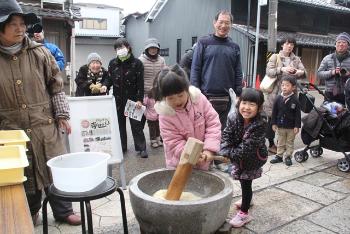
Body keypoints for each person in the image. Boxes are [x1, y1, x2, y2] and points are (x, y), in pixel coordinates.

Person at [0, 0, 80, 225]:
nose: (20, 28)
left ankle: (64, 211)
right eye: (12, 24)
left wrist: (62, 115)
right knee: (24, 172)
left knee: (54, 167)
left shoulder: (40, 53)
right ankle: (30, 211)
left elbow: (56, 85)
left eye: (22, 23)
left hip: (44, 125)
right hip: (11, 129)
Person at [153, 64, 221, 170]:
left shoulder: (199, 100)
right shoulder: (165, 114)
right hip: (179, 164)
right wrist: (192, 155)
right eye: (171, 98)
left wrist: (209, 149)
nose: (177, 101)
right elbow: (174, 141)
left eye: (180, 95)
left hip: (204, 158)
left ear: (187, 89)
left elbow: (213, 124)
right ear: (164, 97)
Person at [219, 88, 268, 228]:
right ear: (239, 103)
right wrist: (224, 149)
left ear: (259, 108)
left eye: (252, 104)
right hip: (238, 156)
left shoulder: (260, 123)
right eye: (244, 103)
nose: (246, 107)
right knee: (243, 181)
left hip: (252, 159)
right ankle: (248, 200)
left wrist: (229, 154)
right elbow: (227, 134)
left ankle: (244, 213)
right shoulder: (233, 117)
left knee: (246, 183)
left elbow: (247, 148)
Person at [190, 10, 243, 129]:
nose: (223, 26)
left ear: (231, 25)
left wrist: (238, 92)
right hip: (205, 95)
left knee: (223, 130)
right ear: (214, 23)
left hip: (227, 97)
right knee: (203, 128)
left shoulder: (234, 47)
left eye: (227, 23)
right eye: (221, 22)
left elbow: (238, 71)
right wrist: (195, 92)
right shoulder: (203, 43)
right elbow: (196, 68)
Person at [101, 38, 148, 158]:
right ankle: (122, 146)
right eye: (117, 48)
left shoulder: (137, 63)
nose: (120, 50)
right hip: (117, 99)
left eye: (122, 47)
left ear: (128, 47)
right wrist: (105, 86)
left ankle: (141, 147)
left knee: (136, 125)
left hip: (133, 99)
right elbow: (109, 78)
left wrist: (139, 99)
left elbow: (140, 83)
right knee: (120, 124)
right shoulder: (113, 63)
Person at [263, 36, 305, 154]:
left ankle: (284, 143)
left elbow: (303, 72)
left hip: (291, 94)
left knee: (289, 118)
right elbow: (269, 72)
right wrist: (282, 69)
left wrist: (299, 72)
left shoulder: (296, 59)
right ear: (282, 45)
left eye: (292, 44)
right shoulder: (275, 57)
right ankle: (271, 144)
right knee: (272, 118)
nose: (289, 46)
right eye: (287, 44)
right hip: (276, 93)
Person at [139, 38, 166, 147]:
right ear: (147, 49)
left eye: (155, 48)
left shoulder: (161, 60)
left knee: (159, 118)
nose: (153, 50)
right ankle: (150, 140)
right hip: (145, 93)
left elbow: (165, 74)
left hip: (158, 93)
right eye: (151, 48)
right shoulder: (141, 60)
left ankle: (158, 138)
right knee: (149, 119)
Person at [270, 76, 301, 166]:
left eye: (287, 85)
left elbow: (298, 114)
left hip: (291, 126)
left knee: (289, 142)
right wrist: (273, 123)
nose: (284, 87)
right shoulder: (278, 98)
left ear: (293, 87)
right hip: (280, 125)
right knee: (280, 141)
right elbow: (274, 112)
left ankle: (288, 156)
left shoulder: (295, 99)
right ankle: (279, 156)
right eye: (282, 85)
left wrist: (297, 126)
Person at [318, 32, 350, 105]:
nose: (341, 44)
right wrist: (332, 72)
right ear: (335, 44)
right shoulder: (327, 58)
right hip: (330, 93)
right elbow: (319, 73)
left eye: (344, 42)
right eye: (338, 42)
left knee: (345, 115)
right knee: (329, 114)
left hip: (347, 93)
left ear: (348, 45)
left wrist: (348, 74)